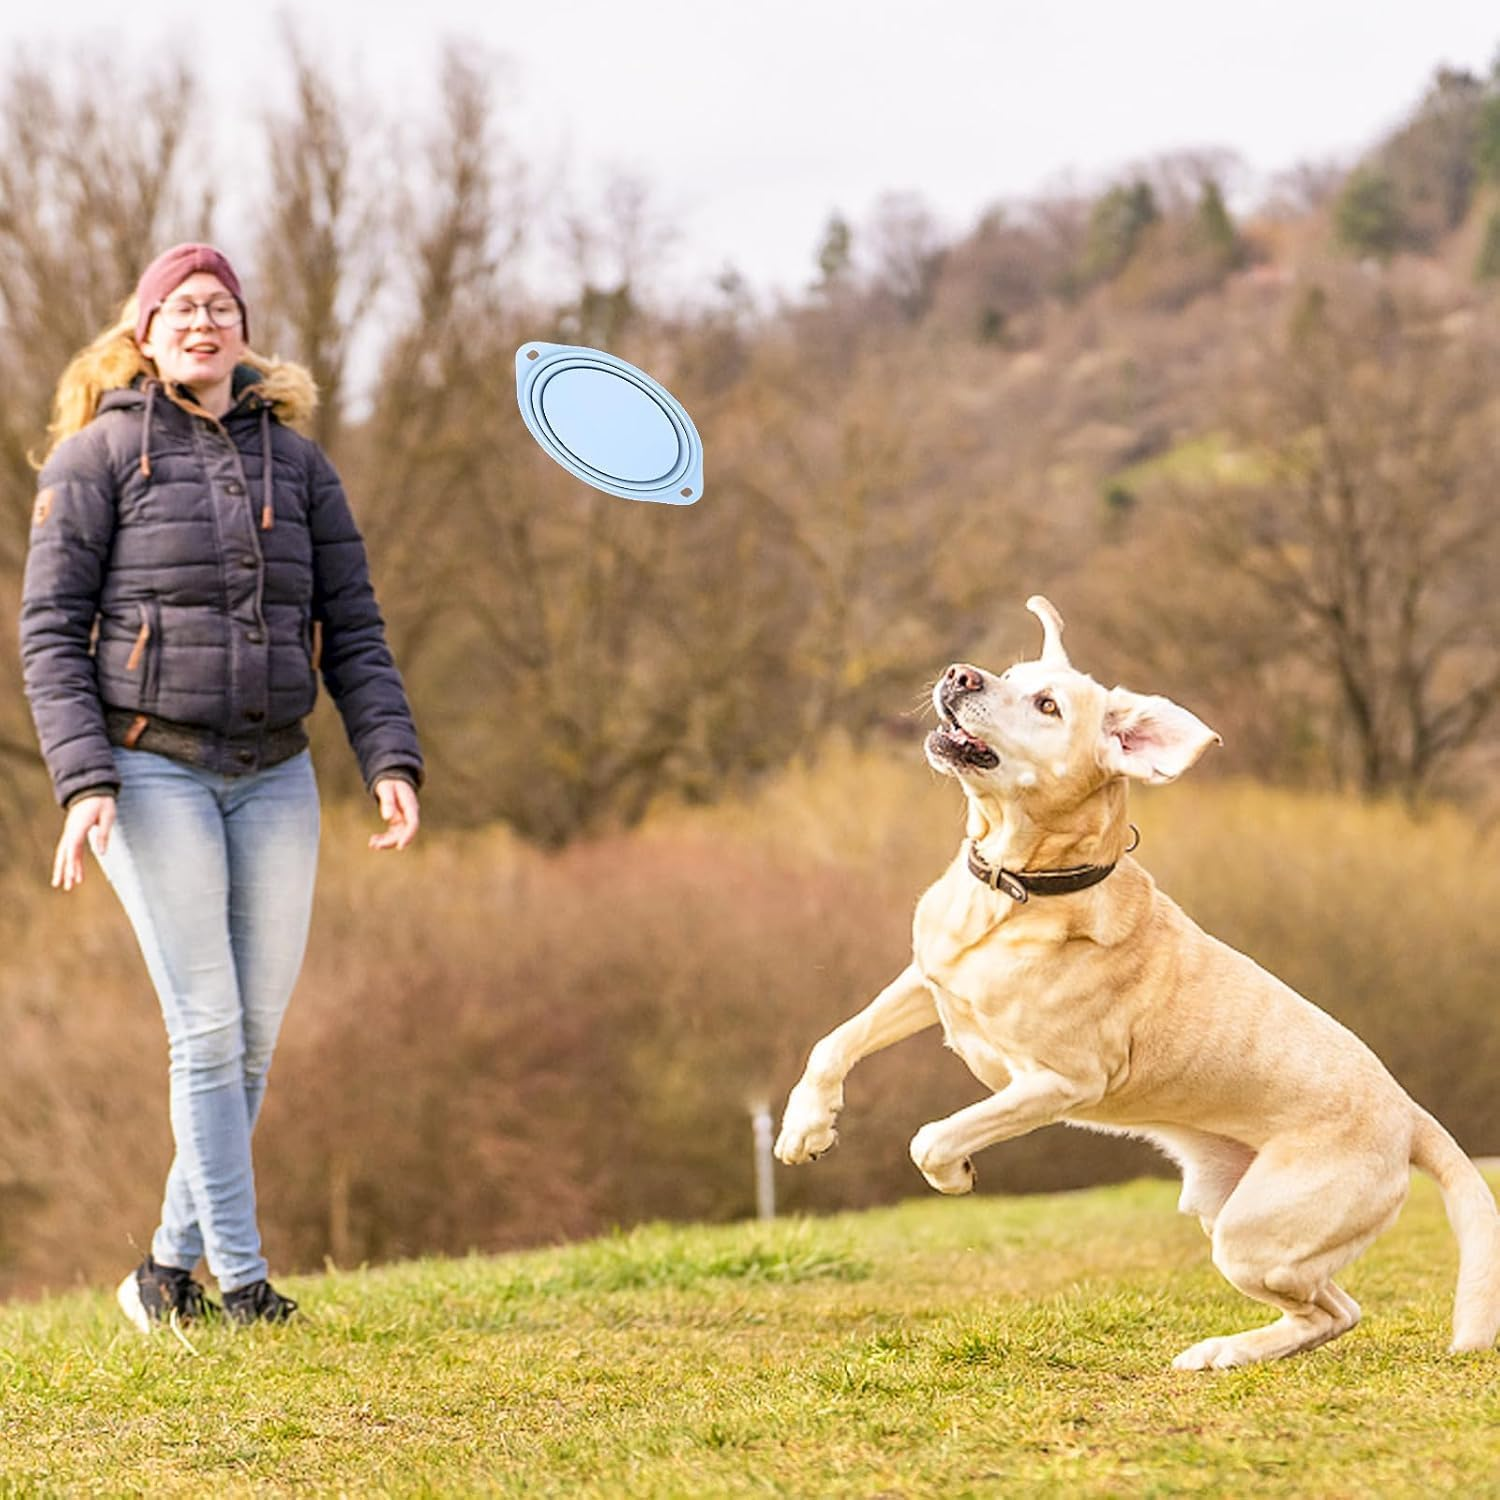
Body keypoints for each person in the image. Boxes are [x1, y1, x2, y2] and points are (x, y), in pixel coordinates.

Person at [19, 243, 423, 1330]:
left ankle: (160, 1273)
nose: (203, 321)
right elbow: (50, 636)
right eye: (182, 308)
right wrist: (83, 781)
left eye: (222, 306)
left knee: (251, 1037)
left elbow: (357, 630)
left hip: (278, 774)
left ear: (243, 331)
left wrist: (390, 755)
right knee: (204, 1032)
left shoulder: (301, 466)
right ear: (143, 335)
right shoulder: (95, 459)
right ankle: (239, 1287)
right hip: (151, 768)